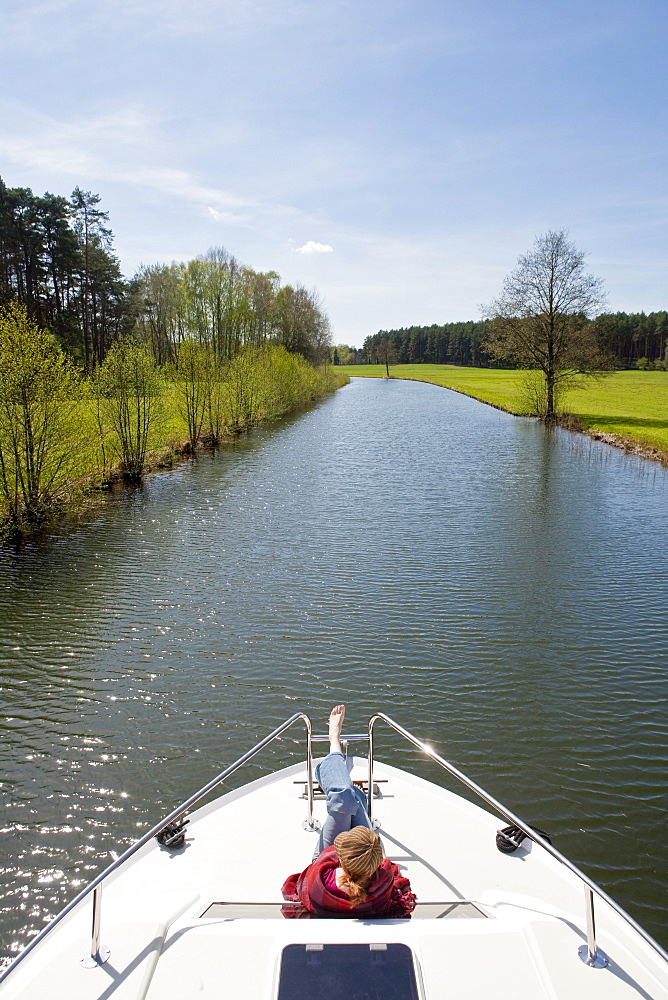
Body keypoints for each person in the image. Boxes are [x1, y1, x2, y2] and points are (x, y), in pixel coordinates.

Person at [281, 705, 416, 918]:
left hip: (329, 861)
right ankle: (352, 788)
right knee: (350, 797)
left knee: (345, 797)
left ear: (340, 858)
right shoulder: (383, 883)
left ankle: (334, 743)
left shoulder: (319, 881)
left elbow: (306, 885)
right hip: (359, 863)